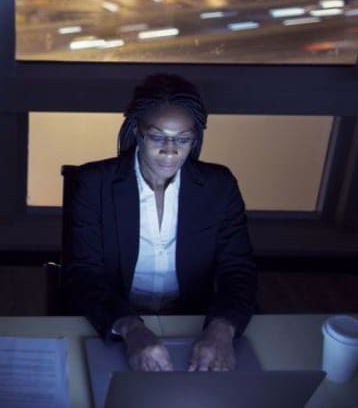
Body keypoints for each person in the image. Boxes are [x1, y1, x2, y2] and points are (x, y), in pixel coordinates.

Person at [63, 73, 257, 372]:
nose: (170, 150)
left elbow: (238, 270)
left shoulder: (219, 186)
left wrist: (222, 328)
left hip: (193, 323)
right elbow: (84, 273)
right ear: (137, 132)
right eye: (157, 137)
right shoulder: (94, 184)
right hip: (117, 321)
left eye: (183, 139)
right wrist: (130, 327)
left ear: (196, 137)